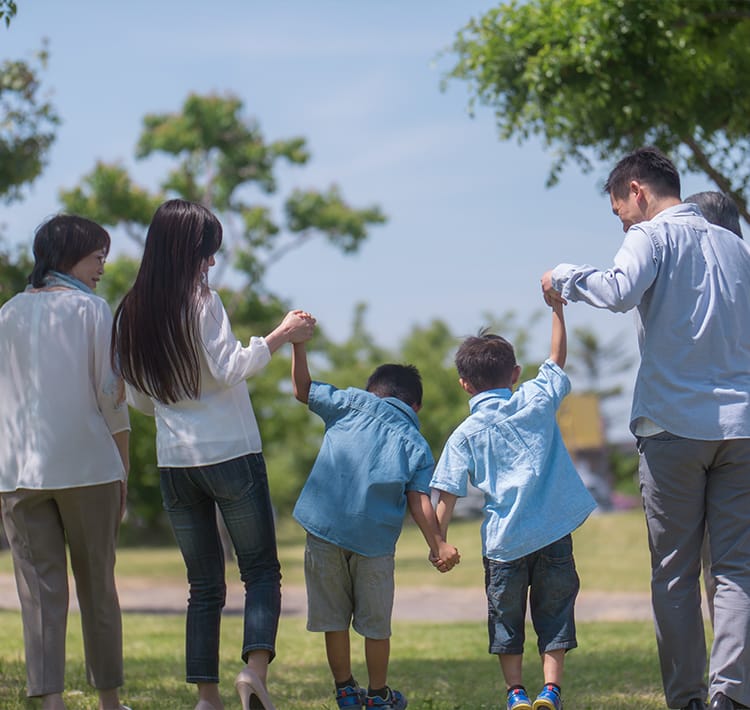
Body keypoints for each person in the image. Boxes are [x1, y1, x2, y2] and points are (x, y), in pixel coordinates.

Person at [542, 146, 750, 710]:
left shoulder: (652, 236)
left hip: (673, 429)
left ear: (637, 190)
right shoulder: (737, 247)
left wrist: (563, 276)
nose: (623, 221)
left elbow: (617, 290)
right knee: (735, 571)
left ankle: (686, 699)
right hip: (742, 430)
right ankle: (731, 697)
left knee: (675, 574)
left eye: (619, 210)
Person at [112, 199, 315, 710]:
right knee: (261, 572)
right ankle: (253, 673)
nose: (212, 262)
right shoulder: (202, 301)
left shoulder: (130, 310)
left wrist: (175, 407)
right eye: (208, 252)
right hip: (230, 454)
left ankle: (207, 698)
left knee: (203, 585)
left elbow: (134, 396)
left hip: (174, 460)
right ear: (189, 250)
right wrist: (280, 336)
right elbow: (229, 368)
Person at [429, 301, 596, 710]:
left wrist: (439, 544)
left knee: (506, 620)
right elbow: (556, 357)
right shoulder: (536, 398)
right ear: (516, 374)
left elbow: (446, 495)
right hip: (554, 532)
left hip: (504, 544)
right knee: (555, 612)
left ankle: (516, 693)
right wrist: (557, 308)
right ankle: (551, 691)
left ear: (464, 384)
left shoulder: (463, 435)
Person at [0, 215, 131, 710]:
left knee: (38, 596)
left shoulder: (6, 314)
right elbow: (111, 398)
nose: (103, 265)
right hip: (87, 468)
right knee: (98, 587)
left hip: (17, 474)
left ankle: (50, 702)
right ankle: (110, 702)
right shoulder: (92, 311)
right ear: (69, 254)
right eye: (98, 255)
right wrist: (123, 468)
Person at [290, 342, 460, 710]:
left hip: (323, 528)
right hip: (374, 543)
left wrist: (298, 345)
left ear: (373, 391)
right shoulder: (417, 444)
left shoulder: (349, 403)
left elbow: (303, 389)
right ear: (416, 406)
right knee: (375, 624)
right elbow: (420, 503)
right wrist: (438, 545)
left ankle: (345, 691)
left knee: (333, 618)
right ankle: (379, 694)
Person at [683, 190, 744, 629]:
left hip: (692, 435)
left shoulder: (679, 287)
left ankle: (727, 679)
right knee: (736, 569)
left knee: (715, 567)